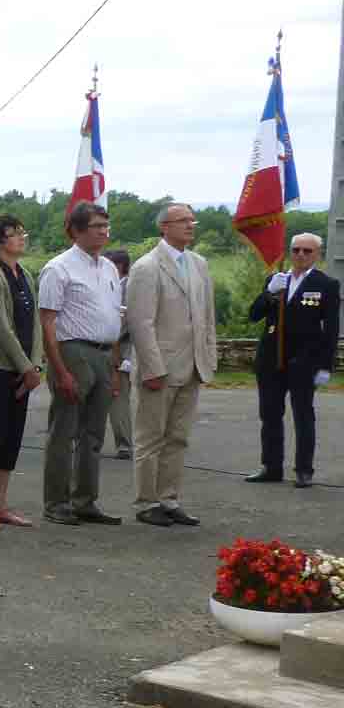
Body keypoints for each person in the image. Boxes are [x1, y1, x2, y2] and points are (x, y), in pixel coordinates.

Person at [122, 202, 216, 527]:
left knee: (178, 438)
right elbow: (140, 322)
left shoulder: (199, 264)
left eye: (192, 220)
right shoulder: (147, 267)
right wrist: (152, 368)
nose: (190, 225)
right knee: (150, 438)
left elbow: (207, 317)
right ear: (164, 226)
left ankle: (169, 499)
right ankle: (147, 502)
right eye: (182, 220)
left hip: (192, 366)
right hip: (160, 368)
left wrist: (208, 356)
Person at [37, 202, 124, 526]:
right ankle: (56, 502)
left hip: (103, 352)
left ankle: (85, 500)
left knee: (93, 433)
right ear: (75, 230)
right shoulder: (58, 269)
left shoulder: (109, 268)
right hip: (73, 351)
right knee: (65, 430)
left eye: (105, 226)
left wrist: (115, 366)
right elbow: (48, 322)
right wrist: (60, 369)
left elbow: (114, 316)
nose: (103, 232)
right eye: (96, 226)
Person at [247, 231, 339, 489]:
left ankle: (304, 470)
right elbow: (254, 315)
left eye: (307, 251)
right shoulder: (277, 279)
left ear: (317, 254)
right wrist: (269, 293)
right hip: (271, 359)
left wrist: (325, 365)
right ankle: (271, 467)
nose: (300, 255)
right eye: (296, 249)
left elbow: (331, 329)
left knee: (303, 416)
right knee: (270, 415)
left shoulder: (326, 284)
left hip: (304, 361)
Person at [0, 214, 44, 528]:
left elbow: (36, 323)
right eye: (15, 233)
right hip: (2, 369)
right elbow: (1, 328)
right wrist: (25, 366)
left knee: (12, 438)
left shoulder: (25, 274)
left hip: (24, 369)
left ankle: (1, 504)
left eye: (22, 232)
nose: (21, 238)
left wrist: (35, 364)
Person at [100, 249, 135, 458]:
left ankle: (124, 444)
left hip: (120, 351)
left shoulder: (129, 288)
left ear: (119, 266)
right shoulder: (109, 285)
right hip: (105, 348)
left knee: (118, 398)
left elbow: (126, 323)